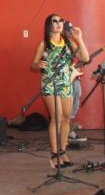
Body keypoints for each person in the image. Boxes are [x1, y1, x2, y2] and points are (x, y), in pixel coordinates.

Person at [31, 14, 89, 168]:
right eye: (54, 21)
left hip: (66, 84)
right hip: (50, 83)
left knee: (66, 118)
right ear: (49, 25)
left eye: (60, 21)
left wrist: (79, 38)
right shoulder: (44, 44)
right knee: (56, 117)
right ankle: (54, 154)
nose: (58, 24)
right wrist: (38, 65)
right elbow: (34, 64)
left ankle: (63, 151)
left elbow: (85, 58)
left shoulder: (68, 42)